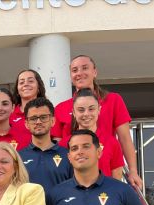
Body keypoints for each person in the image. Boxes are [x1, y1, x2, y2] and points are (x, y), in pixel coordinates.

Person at [51, 55, 142, 189]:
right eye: (75, 70)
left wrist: (133, 171)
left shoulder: (113, 100)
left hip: (105, 172)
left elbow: (125, 138)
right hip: (73, 179)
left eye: (85, 68)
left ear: (95, 72)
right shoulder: (61, 108)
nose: (79, 73)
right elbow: (57, 148)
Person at [60, 89, 124, 179]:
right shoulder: (63, 144)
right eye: (81, 110)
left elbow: (117, 179)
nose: (86, 114)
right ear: (74, 113)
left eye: (91, 109)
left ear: (99, 110)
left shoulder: (112, 142)